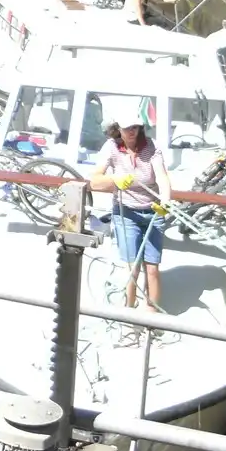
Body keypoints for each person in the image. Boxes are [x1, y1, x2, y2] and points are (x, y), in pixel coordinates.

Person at [89, 99, 173, 311]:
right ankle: (129, 310)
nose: (133, 131)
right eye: (128, 128)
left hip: (153, 213)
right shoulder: (111, 148)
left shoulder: (151, 147)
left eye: (136, 127)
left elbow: (162, 177)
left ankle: (151, 315)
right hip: (125, 214)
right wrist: (114, 180)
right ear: (118, 129)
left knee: (152, 269)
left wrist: (165, 199)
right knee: (132, 269)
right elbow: (94, 180)